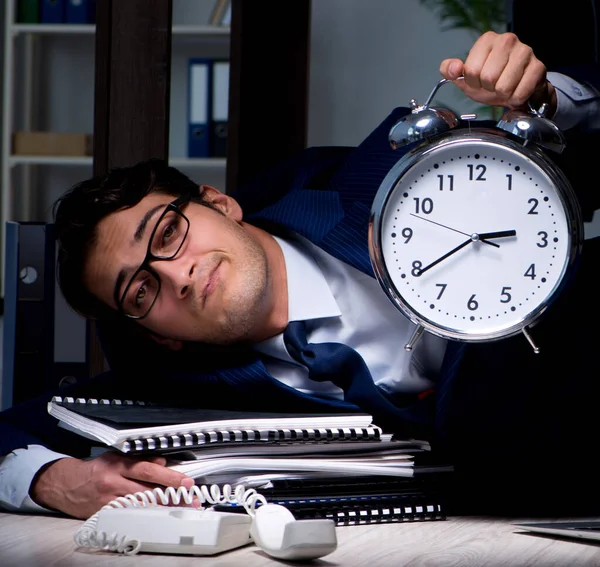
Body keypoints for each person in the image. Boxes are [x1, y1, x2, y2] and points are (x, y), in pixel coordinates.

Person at [1, 31, 600, 520]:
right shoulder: (179, 389)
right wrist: (55, 480)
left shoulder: (399, 173)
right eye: (141, 289)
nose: (175, 275)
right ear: (158, 334)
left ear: (217, 202)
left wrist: (542, 100)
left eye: (166, 233)